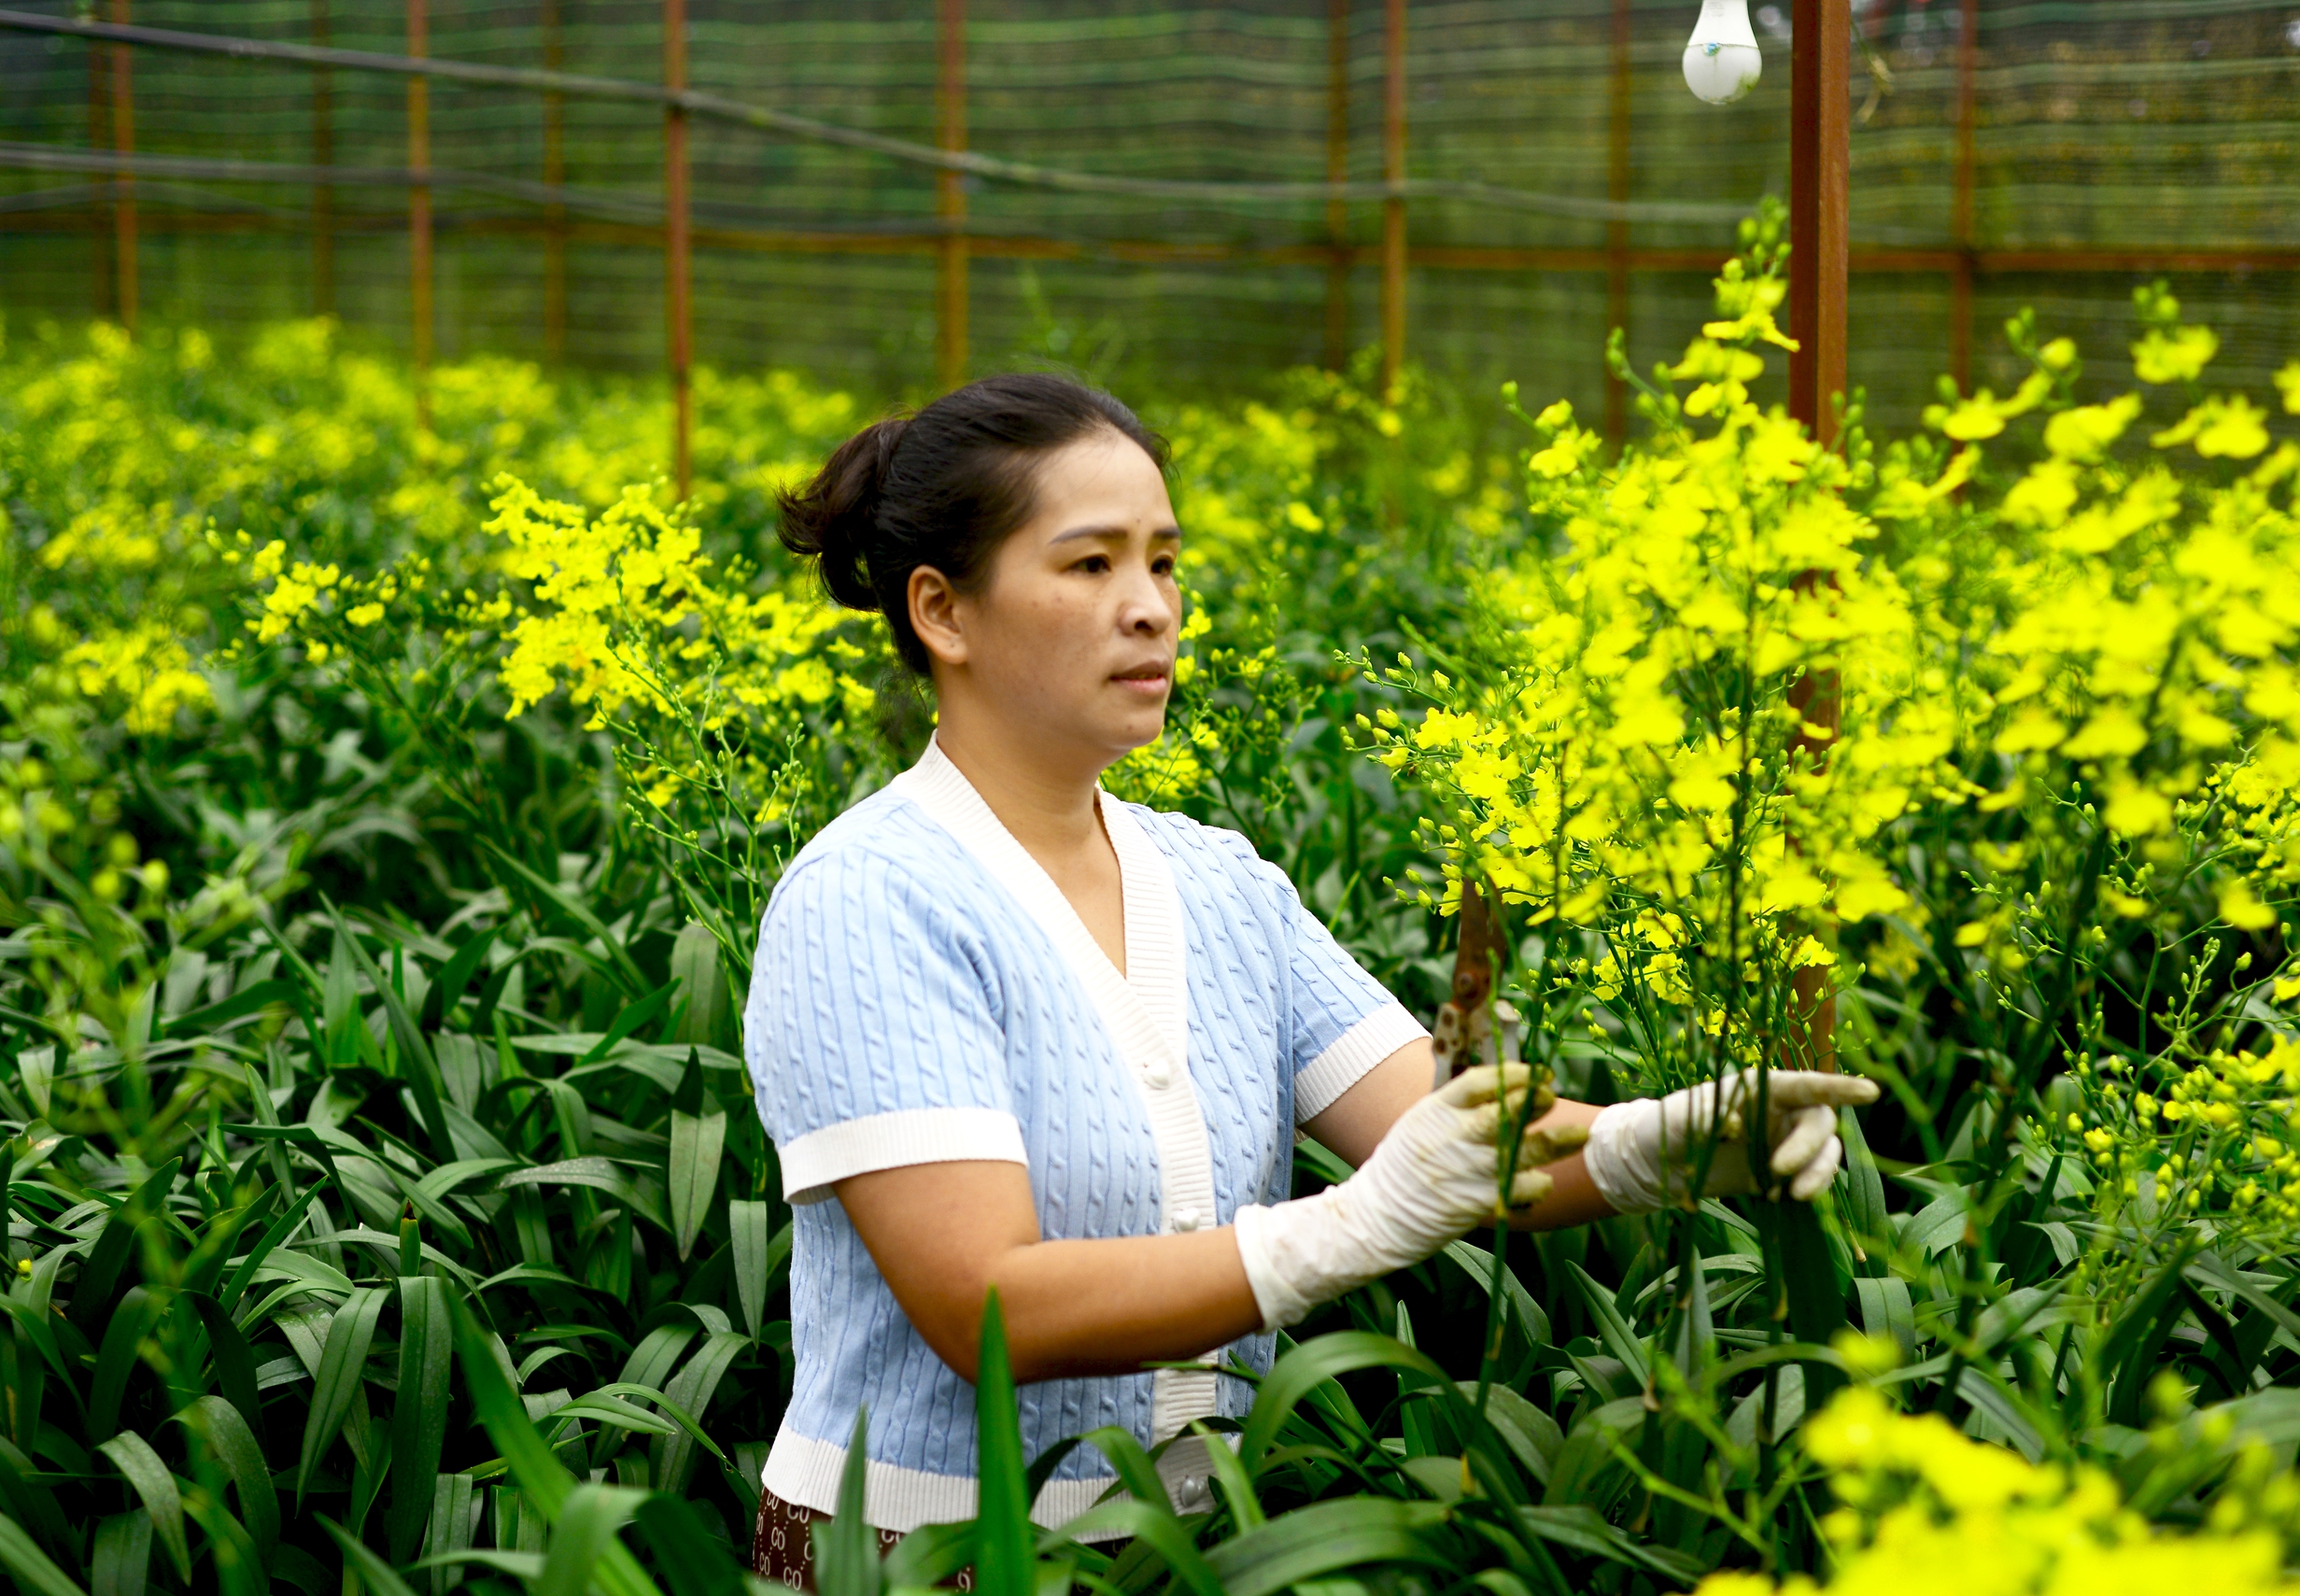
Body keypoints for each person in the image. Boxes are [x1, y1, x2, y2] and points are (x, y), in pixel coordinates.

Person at [742, 373, 1876, 1583]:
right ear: (942, 612)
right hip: (927, 1559)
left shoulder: (1221, 884)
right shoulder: (870, 897)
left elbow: (1456, 1133)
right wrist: (1342, 1227)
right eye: (1091, 566)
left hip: (1208, 1545)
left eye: (1165, 564)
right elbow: (987, 1305)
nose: (1151, 610)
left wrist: (1669, 1142)